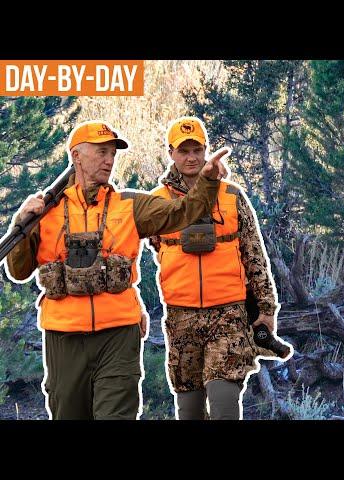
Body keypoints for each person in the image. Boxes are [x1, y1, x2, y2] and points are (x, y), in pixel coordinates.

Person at [2, 120, 226, 420]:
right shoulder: (46, 211)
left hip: (119, 335)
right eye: (102, 152)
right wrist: (22, 223)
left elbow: (183, 212)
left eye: (113, 153)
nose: (110, 160)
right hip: (63, 337)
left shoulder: (129, 205)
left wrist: (207, 182)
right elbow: (18, 271)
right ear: (77, 155)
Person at [148, 117, 285, 420]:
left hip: (229, 314)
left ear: (206, 150)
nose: (191, 157)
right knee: (190, 409)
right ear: (171, 153)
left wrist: (266, 309)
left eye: (197, 149)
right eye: (183, 150)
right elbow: (149, 246)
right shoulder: (157, 202)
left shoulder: (231, 196)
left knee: (224, 401)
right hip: (181, 317)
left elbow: (255, 256)